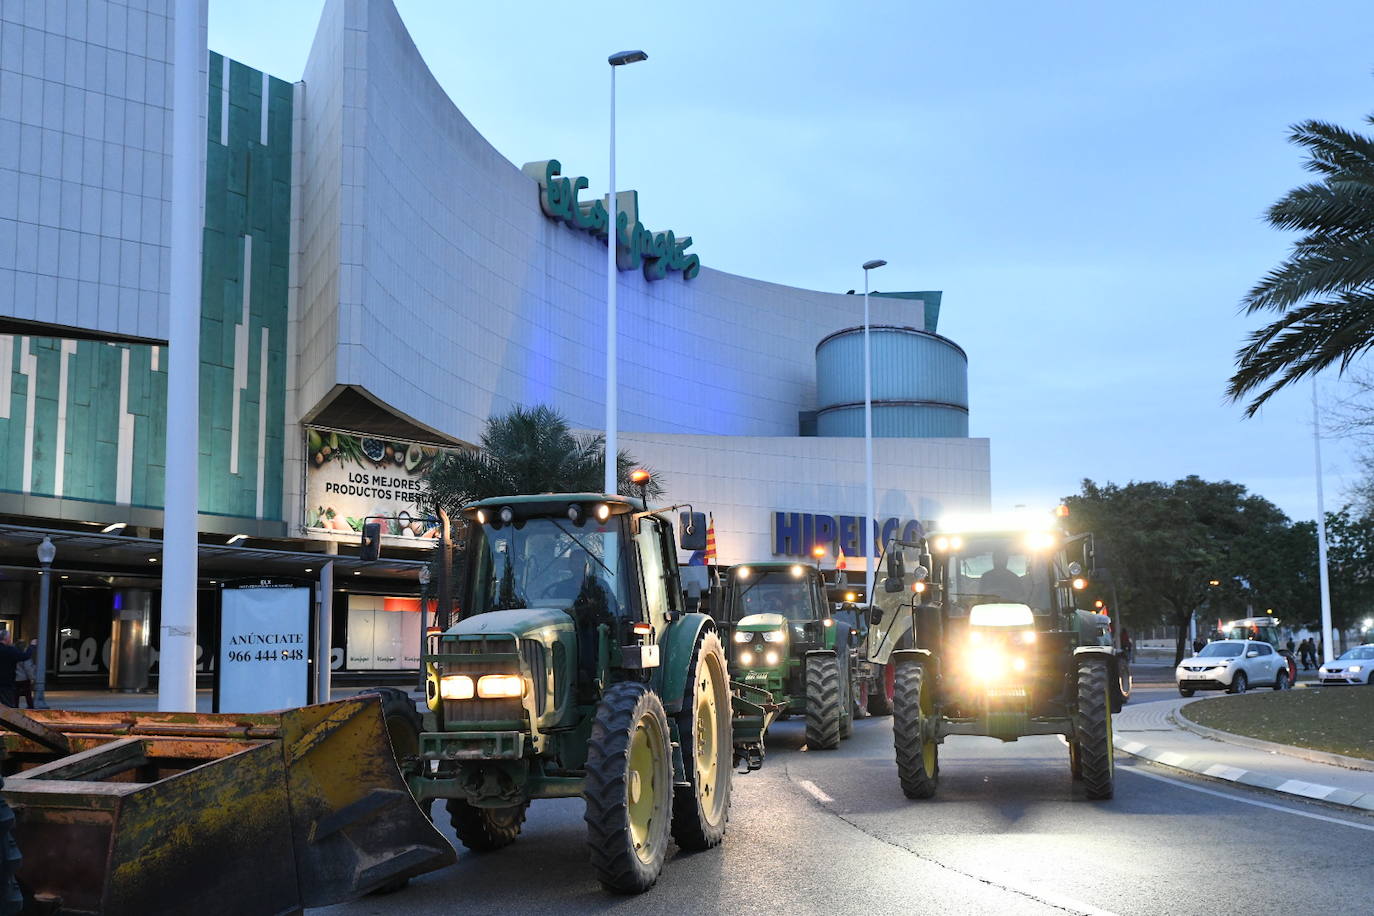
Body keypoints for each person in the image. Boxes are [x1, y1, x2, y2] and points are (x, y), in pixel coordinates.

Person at [0, 631, 33, 708]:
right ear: (6, 639)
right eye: (9, 637)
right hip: (6, 682)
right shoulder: (10, 650)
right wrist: (32, 647)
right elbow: (24, 657)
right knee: (8, 705)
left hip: (7, 681)